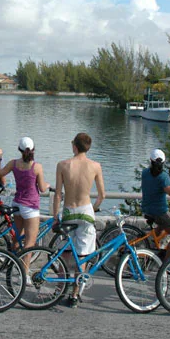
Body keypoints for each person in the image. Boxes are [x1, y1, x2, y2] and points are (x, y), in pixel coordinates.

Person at [52, 132, 105, 308]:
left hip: (69, 211)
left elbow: (58, 194)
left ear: (74, 146)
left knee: (64, 253)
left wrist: (55, 216)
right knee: (81, 256)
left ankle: (59, 289)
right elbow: (102, 195)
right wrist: (94, 208)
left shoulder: (63, 165)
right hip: (86, 210)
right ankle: (74, 295)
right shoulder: (95, 166)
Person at [0, 136, 50, 280]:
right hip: (30, 207)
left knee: (17, 239)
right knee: (30, 244)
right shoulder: (36, 167)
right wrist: (48, 185)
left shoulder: (13, 164)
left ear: (19, 149)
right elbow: (43, 188)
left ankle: (13, 267)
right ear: (33, 150)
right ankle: (24, 275)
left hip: (17, 204)